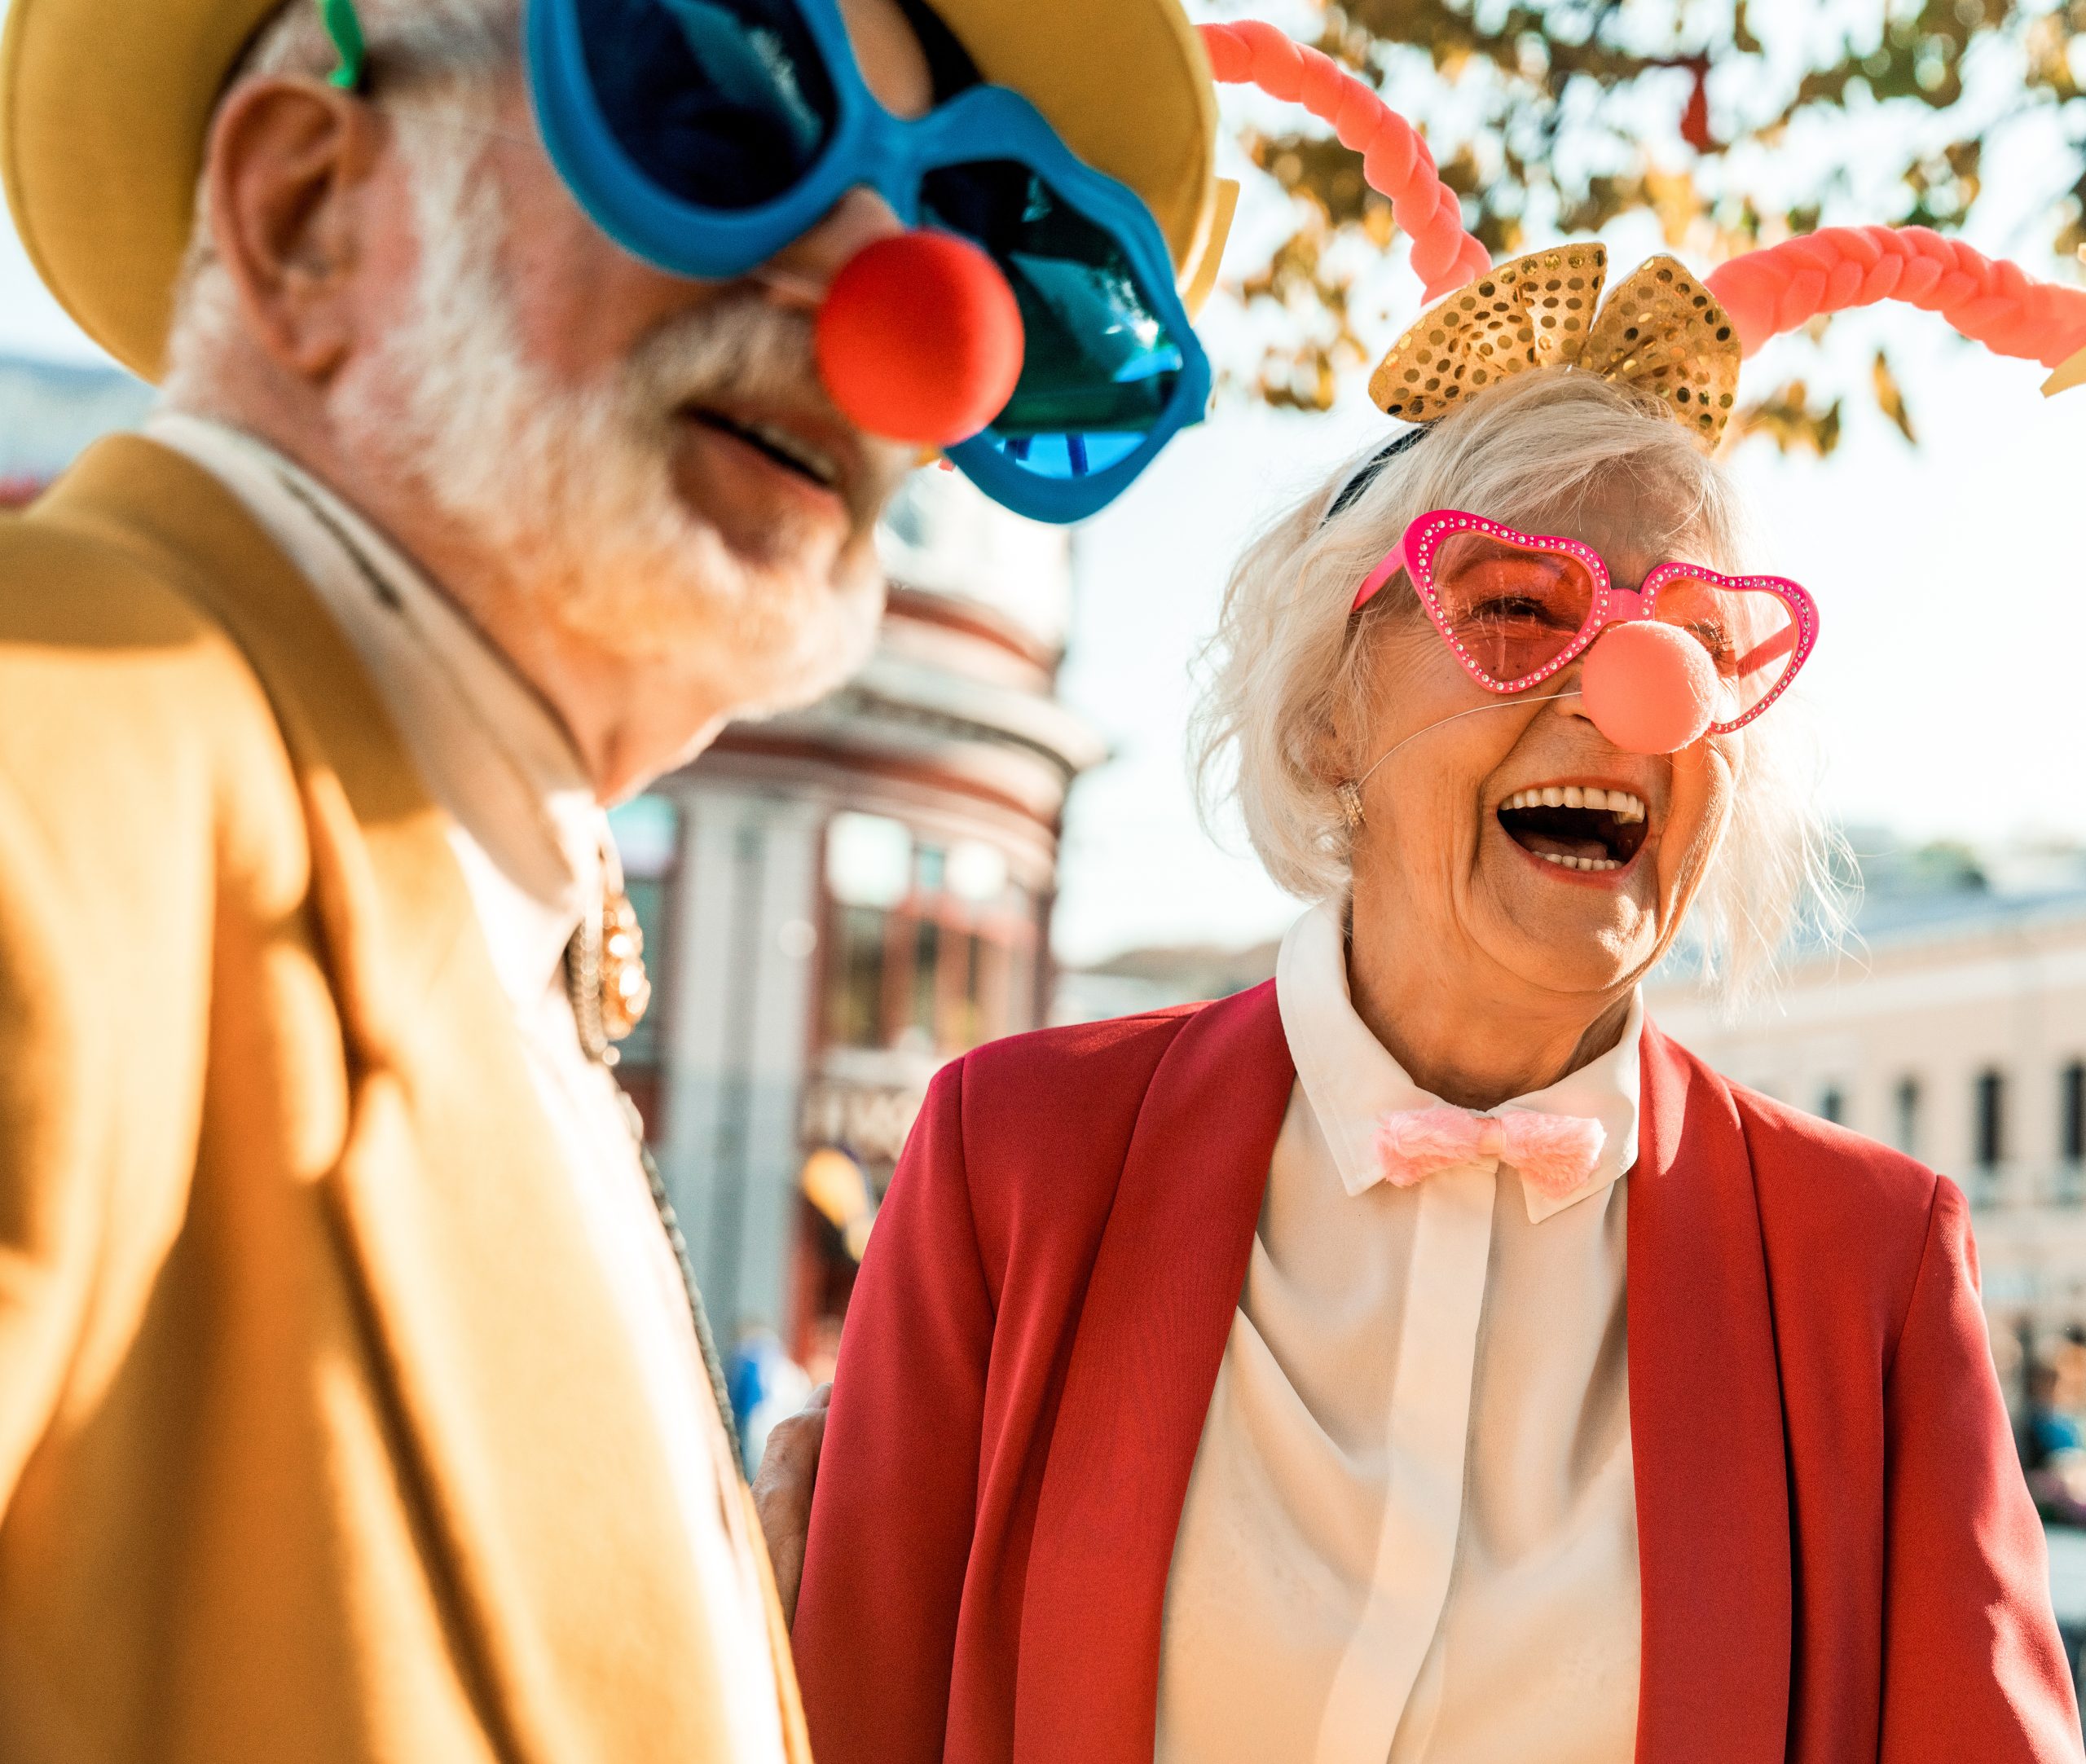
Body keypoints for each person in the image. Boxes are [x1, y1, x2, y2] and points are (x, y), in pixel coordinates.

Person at [787, 33, 2086, 1762]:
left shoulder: (1865, 1265)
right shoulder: (1007, 1163)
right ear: (1327, 717)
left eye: (1686, 644)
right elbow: (846, 1713)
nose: (1622, 698)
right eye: (1517, 609)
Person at [0, 0, 1226, 1755]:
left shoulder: (517, 955)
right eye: (714, 103)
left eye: (978, 233)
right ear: (305, 209)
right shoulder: (53, 757)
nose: (900, 304)